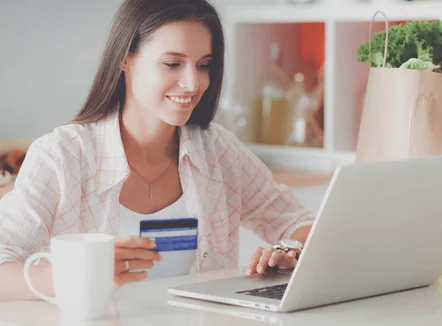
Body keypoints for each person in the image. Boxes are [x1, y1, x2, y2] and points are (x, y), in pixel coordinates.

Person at [0, 0, 314, 301]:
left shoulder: (219, 150)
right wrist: (78, 273)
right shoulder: (62, 156)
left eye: (204, 65)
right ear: (125, 58)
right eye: (172, 63)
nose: (193, 83)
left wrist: (289, 250)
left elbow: (304, 224)